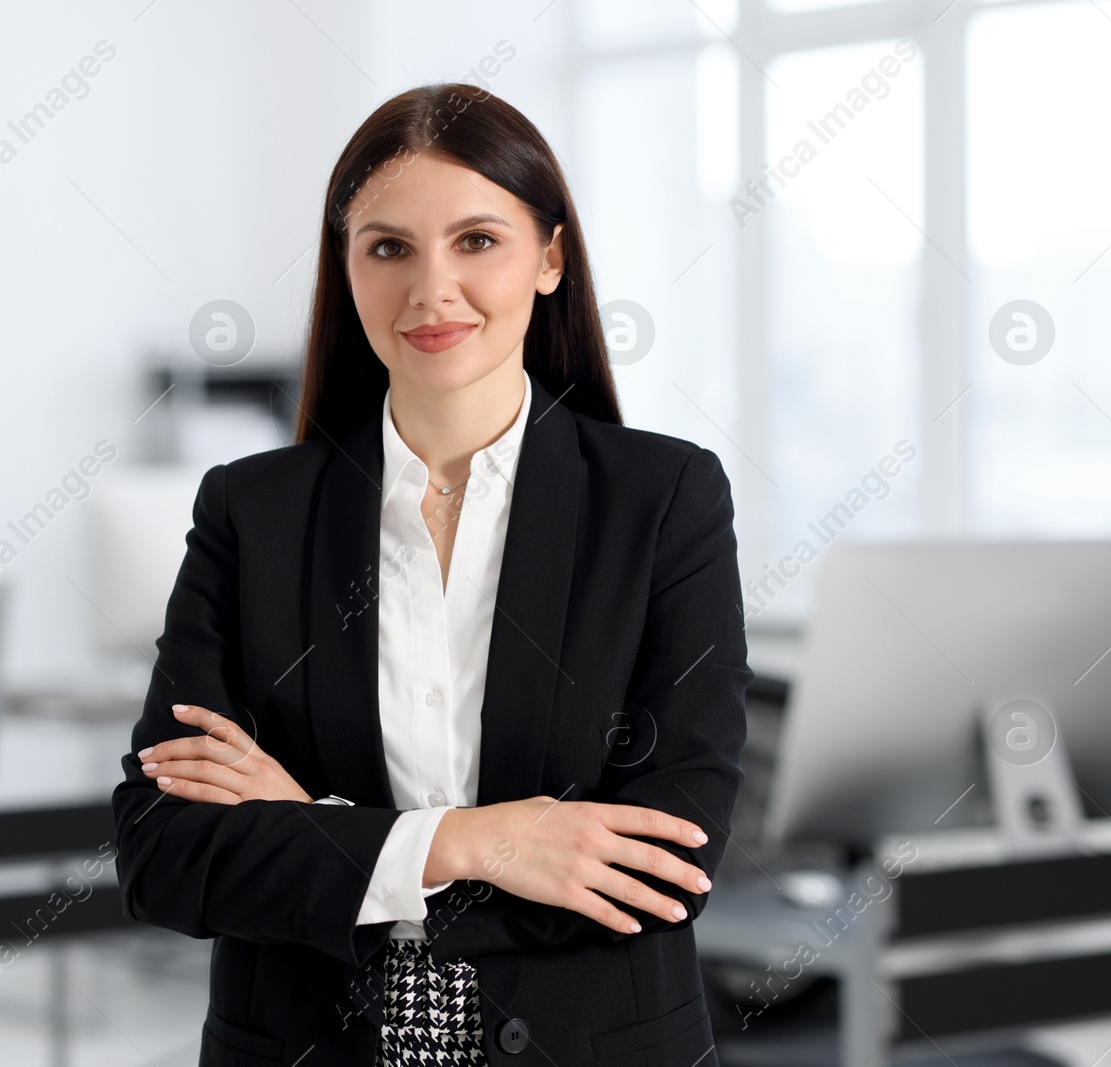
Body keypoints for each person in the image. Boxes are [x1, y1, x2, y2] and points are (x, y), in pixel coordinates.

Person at [113, 82, 751, 1066]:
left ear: (549, 257)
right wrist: (479, 842)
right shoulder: (251, 511)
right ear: (346, 269)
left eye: (477, 241)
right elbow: (165, 855)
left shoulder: (662, 499)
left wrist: (313, 835)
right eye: (388, 247)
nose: (431, 289)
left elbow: (663, 865)